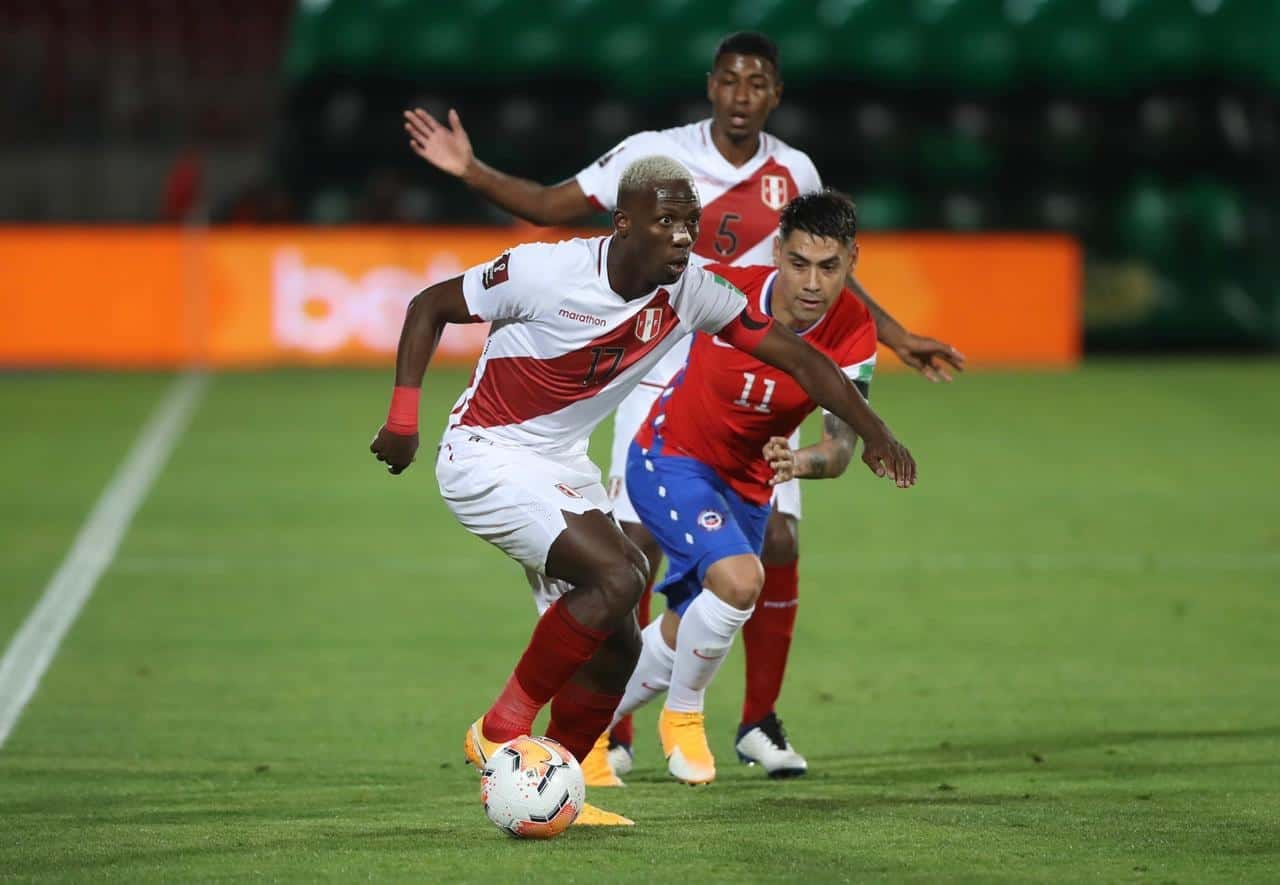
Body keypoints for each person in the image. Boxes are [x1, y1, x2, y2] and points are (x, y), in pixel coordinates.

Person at [402, 31, 957, 779]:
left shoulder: (790, 175)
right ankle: (595, 733)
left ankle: (739, 721)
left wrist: (891, 345)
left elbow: (826, 282)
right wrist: (470, 170)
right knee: (629, 561)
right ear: (711, 86)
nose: (742, 95)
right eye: (731, 80)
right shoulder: (648, 161)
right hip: (657, 379)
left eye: (758, 83)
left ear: (774, 94)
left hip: (750, 379)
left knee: (769, 546)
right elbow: (543, 206)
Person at [611, 189, 878, 783]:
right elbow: (630, 324)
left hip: (750, 486)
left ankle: (591, 721)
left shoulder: (854, 329)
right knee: (739, 580)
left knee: (687, 626)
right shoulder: (724, 290)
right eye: (799, 263)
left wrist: (799, 462)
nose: (812, 282)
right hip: (670, 458)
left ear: (852, 262)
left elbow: (839, 448)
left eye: (830, 267)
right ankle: (683, 717)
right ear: (778, 253)